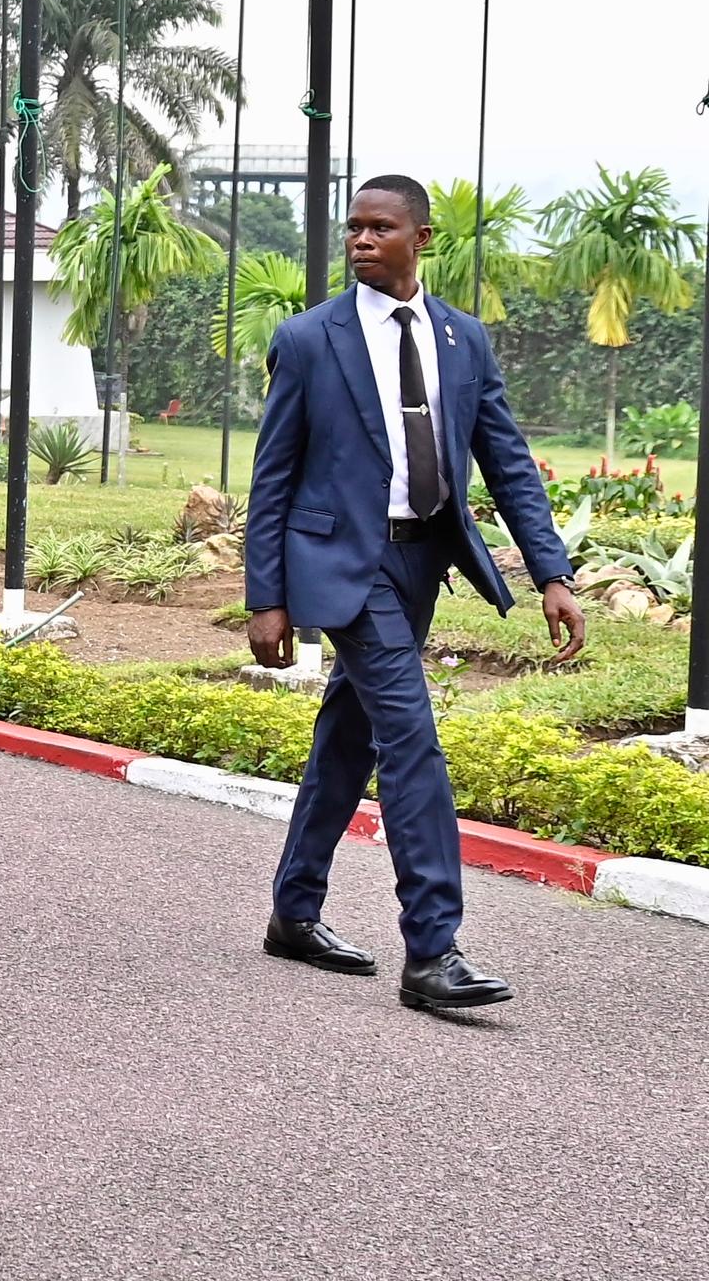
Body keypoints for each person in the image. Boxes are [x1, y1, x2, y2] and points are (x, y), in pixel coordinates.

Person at [248, 174, 583, 1013]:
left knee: (347, 739)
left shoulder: (463, 339)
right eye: (352, 228)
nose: (361, 240)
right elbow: (273, 477)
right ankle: (432, 951)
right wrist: (267, 598)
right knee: (411, 741)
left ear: (421, 238)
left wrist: (551, 572)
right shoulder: (309, 339)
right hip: (343, 569)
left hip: (420, 561)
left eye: (379, 228)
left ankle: (295, 911)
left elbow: (506, 461)